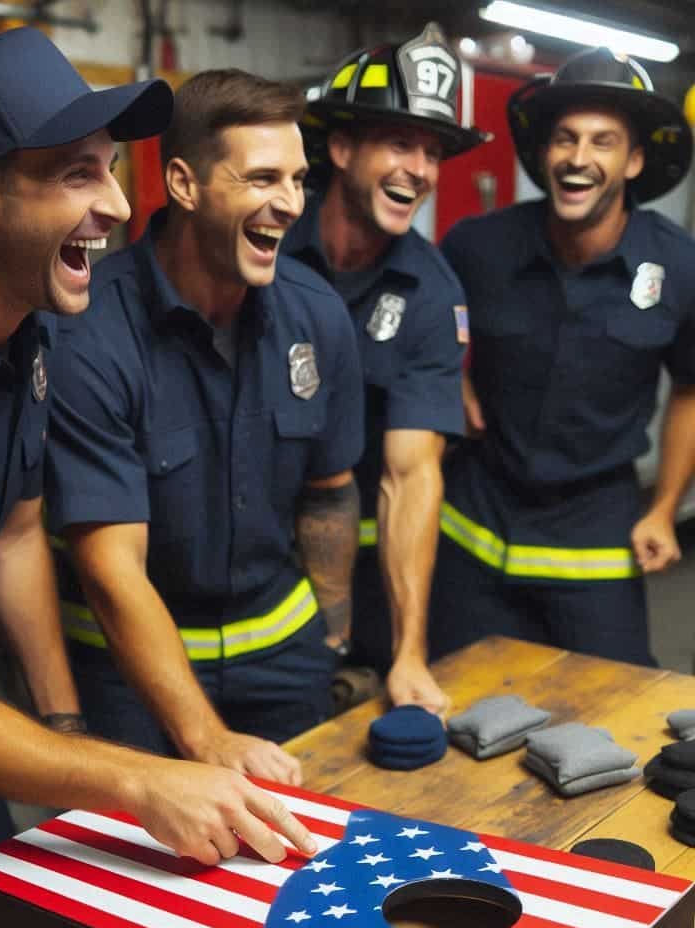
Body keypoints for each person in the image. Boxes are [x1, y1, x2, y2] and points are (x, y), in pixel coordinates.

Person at [0, 28, 317, 914]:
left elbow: (12, 537)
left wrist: (64, 728)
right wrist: (136, 779)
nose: (121, 207)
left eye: (113, 169)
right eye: (79, 174)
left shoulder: (27, 324)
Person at [45, 69, 364, 783]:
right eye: (260, 180)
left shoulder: (317, 317)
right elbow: (109, 565)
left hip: (285, 657)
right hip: (126, 673)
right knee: (131, 881)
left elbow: (331, 490)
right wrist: (206, 739)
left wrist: (332, 639)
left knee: (310, 861)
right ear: (185, 185)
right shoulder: (89, 335)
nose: (287, 205)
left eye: (296, 180)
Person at [431, 47, 695, 666]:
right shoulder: (475, 247)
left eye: (603, 142)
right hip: (472, 533)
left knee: (616, 723)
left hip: (595, 541)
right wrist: (450, 379)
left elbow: (689, 391)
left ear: (633, 161)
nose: (578, 159)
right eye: (565, 139)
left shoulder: (681, 267)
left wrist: (663, 510)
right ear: (544, 153)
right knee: (449, 711)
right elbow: (427, 333)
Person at [284, 23, 488, 716]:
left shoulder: (432, 291)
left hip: (351, 578)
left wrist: (409, 653)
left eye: (432, 152)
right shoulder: (265, 246)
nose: (421, 170)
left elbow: (411, 476)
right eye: (400, 142)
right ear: (341, 148)